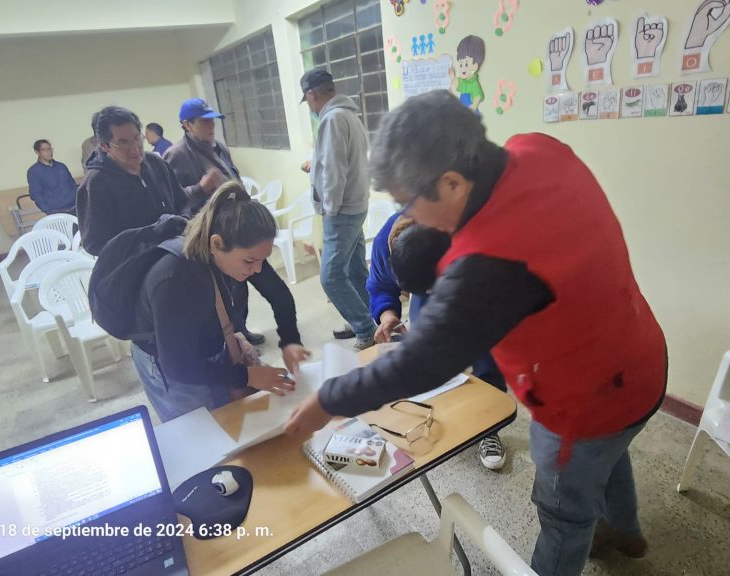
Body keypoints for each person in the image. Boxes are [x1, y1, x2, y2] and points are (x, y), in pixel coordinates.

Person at [286, 90, 667, 576]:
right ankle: (624, 531)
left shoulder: (491, 261)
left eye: (408, 203)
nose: (409, 218)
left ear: (449, 183)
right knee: (609, 452)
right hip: (639, 355)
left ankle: (590, 536)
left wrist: (326, 402)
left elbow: (422, 360)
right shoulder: (535, 148)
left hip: (586, 398)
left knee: (562, 514)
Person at [131, 180, 311, 422]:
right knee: (201, 430)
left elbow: (279, 294)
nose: (258, 269)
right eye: (250, 262)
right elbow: (178, 365)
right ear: (216, 243)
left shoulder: (242, 249)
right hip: (168, 361)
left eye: (263, 259)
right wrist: (246, 376)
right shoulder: (175, 278)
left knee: (232, 417)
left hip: (206, 341)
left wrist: (290, 341)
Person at [368, 215, 508, 470]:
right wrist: (388, 314)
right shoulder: (383, 242)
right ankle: (442, 411)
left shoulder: (471, 231)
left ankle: (490, 424)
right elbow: (379, 286)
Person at [164, 97, 264, 346]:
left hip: (236, 227)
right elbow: (172, 200)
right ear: (187, 125)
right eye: (204, 122)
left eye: (212, 122)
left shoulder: (218, 147)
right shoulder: (176, 155)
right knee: (221, 290)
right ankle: (228, 339)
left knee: (240, 285)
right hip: (210, 235)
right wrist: (201, 187)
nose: (210, 127)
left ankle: (241, 329)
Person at [77, 105, 220, 256]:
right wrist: (150, 233)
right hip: (135, 263)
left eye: (137, 138)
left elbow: (181, 201)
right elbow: (94, 244)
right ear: (104, 145)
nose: (135, 149)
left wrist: (182, 220)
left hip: (175, 251)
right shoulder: (95, 183)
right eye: (124, 142)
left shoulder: (155, 163)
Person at [300, 68, 375, 350]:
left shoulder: (331, 119)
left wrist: (330, 210)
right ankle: (369, 319)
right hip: (356, 205)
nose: (309, 106)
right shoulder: (350, 116)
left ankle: (365, 329)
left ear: (311, 95)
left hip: (342, 210)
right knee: (355, 270)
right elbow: (337, 162)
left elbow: (334, 170)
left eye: (307, 100)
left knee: (330, 275)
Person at [26, 139, 77, 214]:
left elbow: (72, 184)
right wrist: (48, 211)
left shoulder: (61, 166)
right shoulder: (34, 171)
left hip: (75, 207)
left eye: (49, 149)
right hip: (56, 211)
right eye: (44, 150)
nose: (48, 152)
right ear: (37, 152)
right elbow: (36, 194)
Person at [449, 35, 486, 112]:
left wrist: (474, 105)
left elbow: (478, 96)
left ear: (475, 66)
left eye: (466, 64)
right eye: (461, 64)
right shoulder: (463, 81)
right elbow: (455, 86)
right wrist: (452, 77)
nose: (462, 68)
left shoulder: (474, 83)